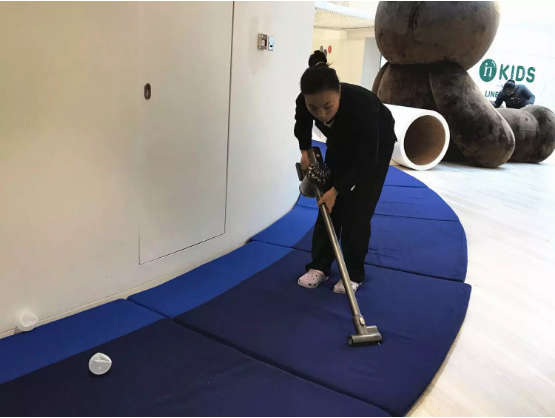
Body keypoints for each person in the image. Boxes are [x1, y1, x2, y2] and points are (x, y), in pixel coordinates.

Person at [294, 51, 396, 294]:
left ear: (339, 91)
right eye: (313, 107)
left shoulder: (363, 104)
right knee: (327, 208)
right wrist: (305, 151)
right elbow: (303, 123)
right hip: (340, 143)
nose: (321, 113)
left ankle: (353, 273)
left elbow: (367, 159)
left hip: (375, 148)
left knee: (357, 211)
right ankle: (319, 266)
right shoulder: (305, 101)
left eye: (327, 106)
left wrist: (337, 189)